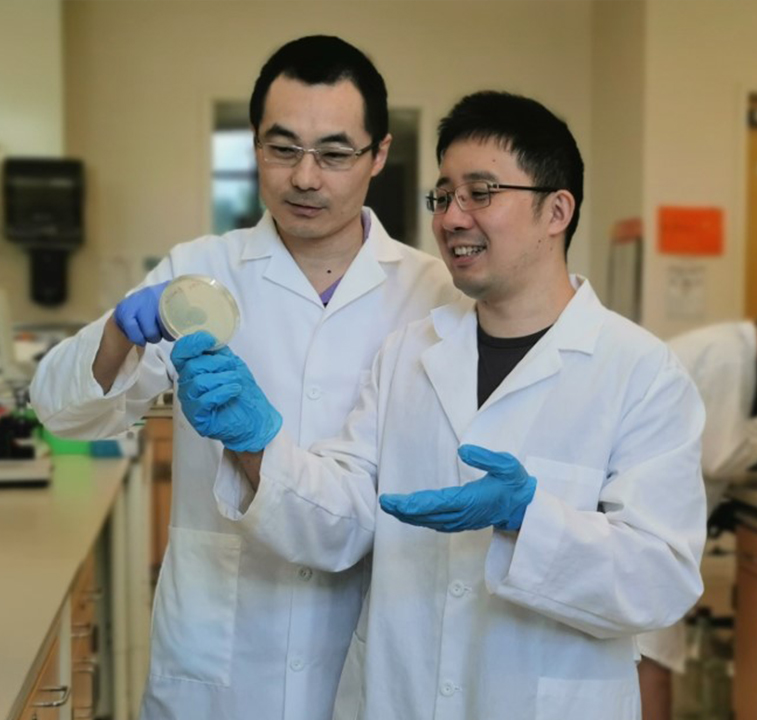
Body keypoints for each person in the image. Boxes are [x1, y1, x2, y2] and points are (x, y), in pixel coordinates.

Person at [171, 90, 708, 718]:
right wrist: (255, 444)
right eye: (444, 195)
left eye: (481, 193)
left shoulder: (641, 373)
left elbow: (661, 582)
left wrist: (527, 520)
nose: (453, 218)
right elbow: (340, 524)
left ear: (557, 210)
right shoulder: (409, 353)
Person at [29, 36, 457, 720]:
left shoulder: (434, 295)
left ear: (379, 155)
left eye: (335, 153)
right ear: (254, 144)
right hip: (219, 666)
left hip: (366, 660)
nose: (305, 178)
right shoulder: (200, 272)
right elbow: (63, 415)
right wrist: (118, 332)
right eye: (281, 149)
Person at [636, 305, 757, 718]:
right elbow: (721, 455)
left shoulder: (724, 346)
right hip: (648, 521)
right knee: (654, 657)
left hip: (648, 514)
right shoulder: (734, 356)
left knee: (646, 651)